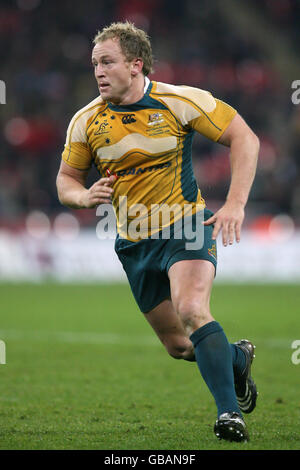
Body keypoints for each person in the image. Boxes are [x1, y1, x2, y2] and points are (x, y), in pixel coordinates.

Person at [56, 21, 260, 442]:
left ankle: (229, 415)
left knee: (192, 310)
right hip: (132, 241)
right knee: (180, 345)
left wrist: (236, 203)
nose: (98, 70)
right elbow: (65, 181)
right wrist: (82, 196)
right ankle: (236, 360)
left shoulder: (179, 101)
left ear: (135, 65)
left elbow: (245, 137)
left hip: (185, 226)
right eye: (94, 63)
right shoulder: (86, 121)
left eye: (107, 61)